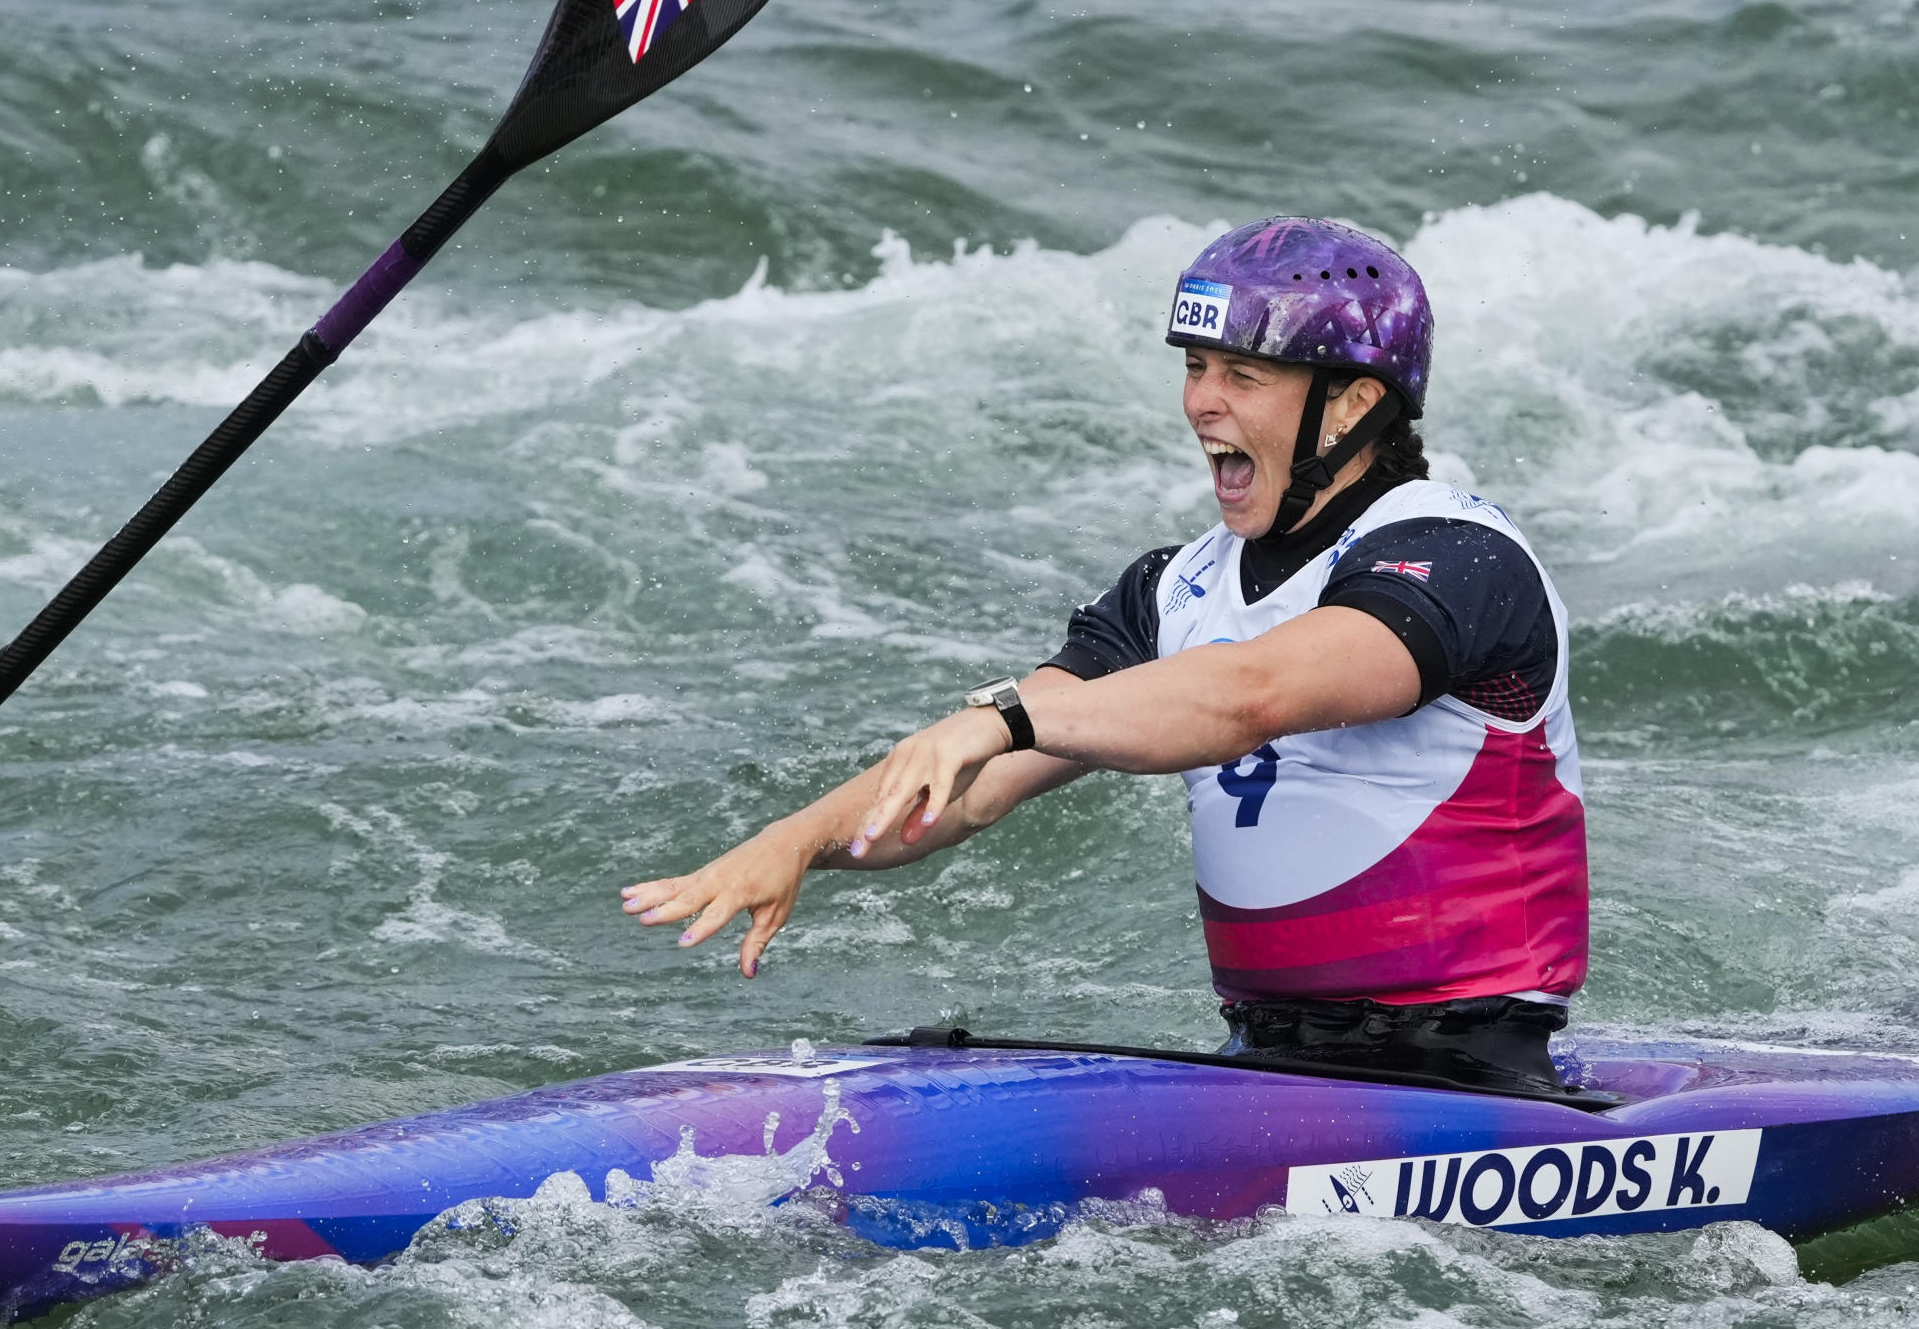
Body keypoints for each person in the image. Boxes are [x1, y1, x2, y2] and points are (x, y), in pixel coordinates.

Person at [621, 217, 1590, 1096]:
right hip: (1271, 1069)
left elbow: (1254, 693)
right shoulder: (1177, 591)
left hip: (1468, 1081)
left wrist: (1001, 715)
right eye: (1195, 367)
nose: (1200, 404)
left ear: (1350, 405)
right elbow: (978, 780)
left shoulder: (1458, 558)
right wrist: (802, 840)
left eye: (1242, 376)